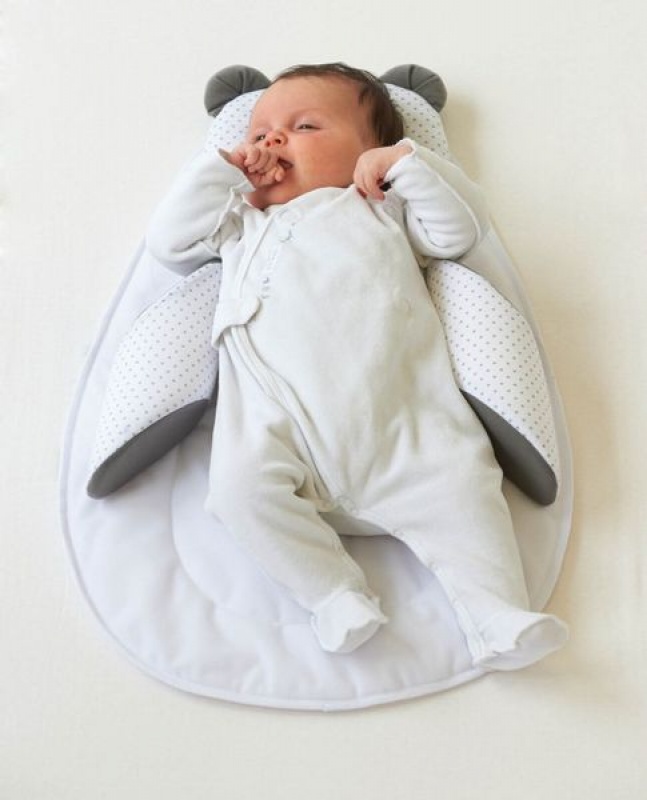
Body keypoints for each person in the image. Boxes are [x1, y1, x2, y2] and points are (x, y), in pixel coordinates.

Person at [147, 63, 567, 663]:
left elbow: (460, 230)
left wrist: (406, 165)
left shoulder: (380, 209)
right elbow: (168, 242)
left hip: (404, 429)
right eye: (259, 132)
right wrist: (223, 170)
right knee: (237, 493)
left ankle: (497, 612)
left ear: (368, 152)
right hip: (277, 428)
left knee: (465, 492)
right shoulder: (239, 223)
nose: (271, 139)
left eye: (305, 126)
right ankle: (333, 595)